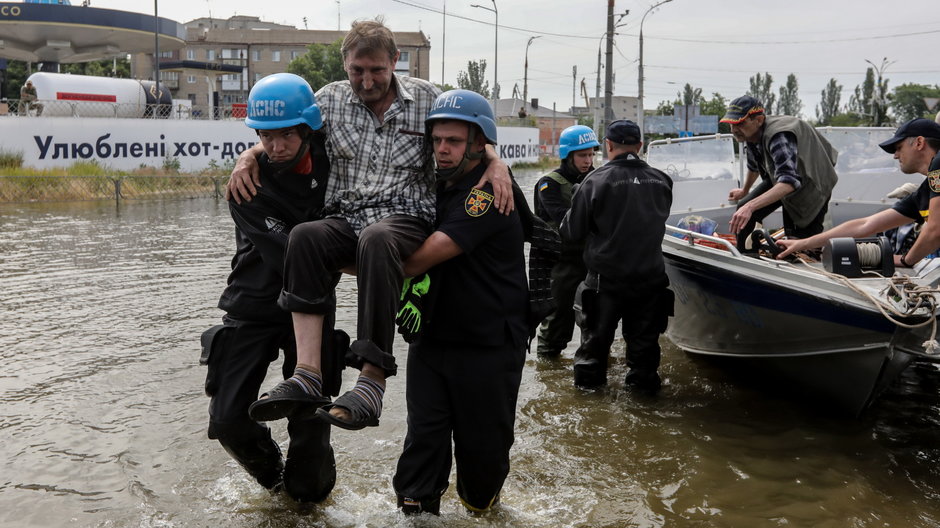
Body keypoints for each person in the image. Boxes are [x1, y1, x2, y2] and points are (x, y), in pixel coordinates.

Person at [231, 19, 514, 431]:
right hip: (346, 216)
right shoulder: (328, 100)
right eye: (357, 71)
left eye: (377, 70)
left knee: (378, 239)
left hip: (405, 218)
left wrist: (497, 162)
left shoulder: (427, 99)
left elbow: (470, 134)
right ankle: (308, 374)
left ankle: (371, 379)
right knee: (305, 237)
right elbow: (287, 131)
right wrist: (249, 155)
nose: (366, 81)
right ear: (345, 66)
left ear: (395, 61)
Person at [200, 73, 345, 502]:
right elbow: (291, 257)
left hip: (313, 305)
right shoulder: (246, 186)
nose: (275, 147)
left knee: (311, 420)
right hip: (254, 304)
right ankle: (278, 485)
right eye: (265, 136)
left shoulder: (332, 157)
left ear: (306, 129)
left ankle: (309, 501)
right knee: (227, 420)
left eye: (285, 135)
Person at [391, 89, 527, 515]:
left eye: (453, 141)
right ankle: (415, 514)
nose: (442, 150)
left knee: (482, 455)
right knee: (422, 443)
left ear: (478, 144)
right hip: (432, 340)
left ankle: (480, 510)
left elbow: (416, 262)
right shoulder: (429, 184)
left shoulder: (486, 194)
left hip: (487, 344)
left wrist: (354, 263)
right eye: (436, 141)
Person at [560, 119, 674, 393]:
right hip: (650, 283)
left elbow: (571, 232)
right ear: (641, 146)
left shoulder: (594, 181)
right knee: (645, 361)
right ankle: (646, 416)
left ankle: (589, 418)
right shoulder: (662, 180)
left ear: (608, 145)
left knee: (592, 358)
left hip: (605, 283)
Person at [776, 118, 940, 268]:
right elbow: (866, 225)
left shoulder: (938, 163)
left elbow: (935, 229)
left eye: (898, 148)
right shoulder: (924, 193)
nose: (896, 156)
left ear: (919, 143)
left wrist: (906, 260)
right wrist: (804, 244)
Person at [722, 95, 839, 250]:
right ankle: (746, 255)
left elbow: (789, 182)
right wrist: (744, 192)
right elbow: (754, 165)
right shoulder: (749, 135)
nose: (734, 129)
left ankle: (806, 258)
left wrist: (751, 206)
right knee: (744, 208)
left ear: (759, 120)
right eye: (731, 124)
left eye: (740, 123)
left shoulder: (779, 136)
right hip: (783, 178)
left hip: (811, 182)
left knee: (799, 242)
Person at [532, 124, 598, 358]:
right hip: (562, 263)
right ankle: (548, 369)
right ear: (568, 155)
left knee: (595, 323)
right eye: (582, 155)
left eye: (591, 154)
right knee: (557, 320)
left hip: (591, 262)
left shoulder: (598, 180)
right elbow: (563, 220)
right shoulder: (549, 184)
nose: (588, 160)